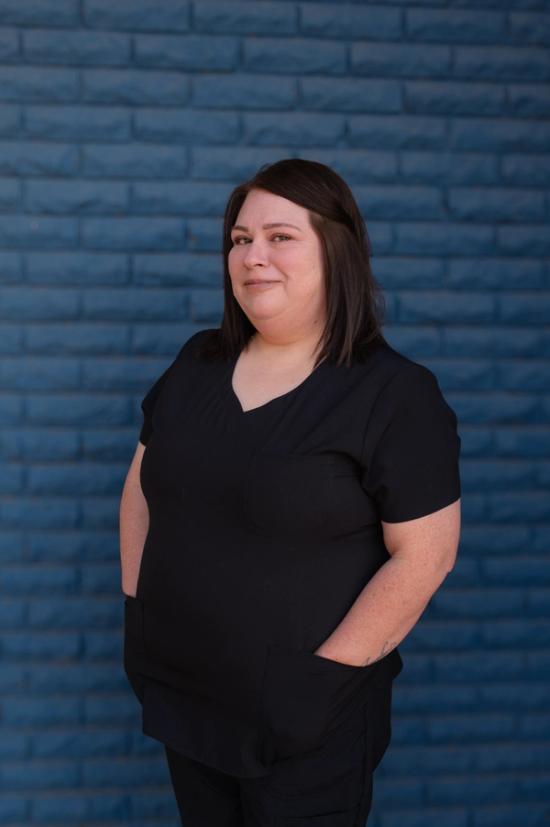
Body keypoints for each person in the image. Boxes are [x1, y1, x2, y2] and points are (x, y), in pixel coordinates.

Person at [119, 158, 462, 826]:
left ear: (337, 248)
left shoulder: (394, 395)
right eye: (240, 239)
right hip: (188, 698)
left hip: (310, 724)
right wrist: (139, 615)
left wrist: (320, 684)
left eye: (280, 236)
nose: (253, 256)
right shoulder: (196, 363)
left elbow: (426, 555)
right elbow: (140, 490)